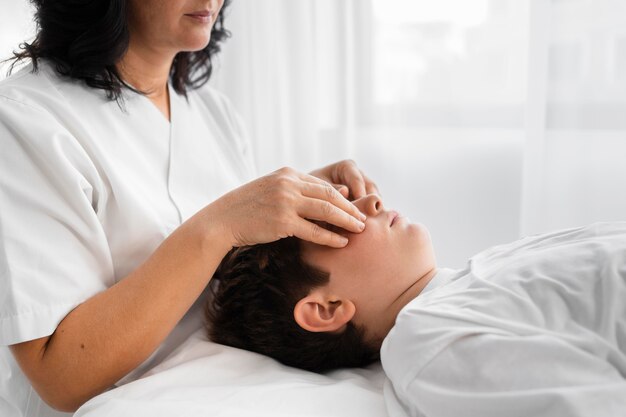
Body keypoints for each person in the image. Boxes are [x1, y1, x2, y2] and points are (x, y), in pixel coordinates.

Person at [0, 1, 379, 416]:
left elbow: (224, 278)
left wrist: (291, 203)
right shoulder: (26, 121)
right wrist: (222, 223)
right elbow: (61, 376)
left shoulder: (213, 113)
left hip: (219, 391)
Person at [207, 193, 626, 417]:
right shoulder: (427, 339)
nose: (370, 202)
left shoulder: (472, 278)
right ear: (327, 308)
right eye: (332, 221)